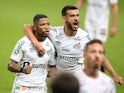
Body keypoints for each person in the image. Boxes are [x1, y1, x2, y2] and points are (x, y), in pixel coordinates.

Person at [23, 5, 122, 85]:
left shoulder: (85, 37)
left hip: (78, 79)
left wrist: (114, 75)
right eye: (72, 16)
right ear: (64, 18)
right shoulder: (54, 32)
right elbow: (26, 27)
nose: (76, 18)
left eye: (77, 15)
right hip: (59, 78)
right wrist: (36, 44)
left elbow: (101, 57)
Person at [8, 14, 56, 93]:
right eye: (42, 24)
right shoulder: (23, 42)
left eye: (48, 24)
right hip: (22, 87)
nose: (47, 27)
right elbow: (10, 65)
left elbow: (52, 66)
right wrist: (22, 69)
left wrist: (54, 74)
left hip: (41, 88)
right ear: (34, 27)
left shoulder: (50, 45)